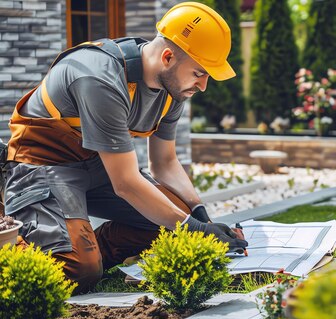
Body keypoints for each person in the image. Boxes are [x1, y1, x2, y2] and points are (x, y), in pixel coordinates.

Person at [1, 2, 248, 292]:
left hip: (97, 165)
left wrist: (200, 214)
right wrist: (195, 229)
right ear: (168, 57)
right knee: (79, 269)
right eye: (199, 73)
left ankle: (83, 252)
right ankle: (38, 247)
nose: (203, 86)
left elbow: (165, 163)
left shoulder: (173, 89)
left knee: (177, 214)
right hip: (43, 164)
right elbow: (126, 184)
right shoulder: (99, 77)